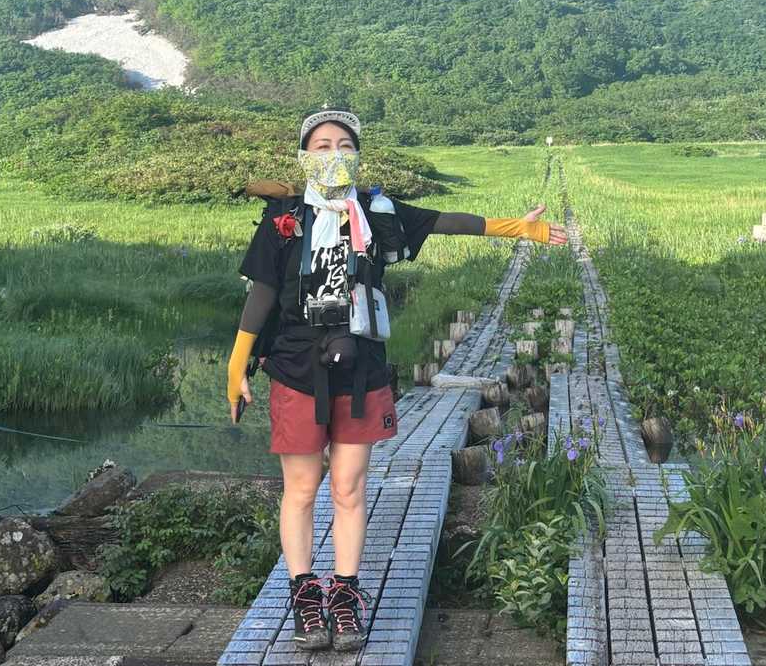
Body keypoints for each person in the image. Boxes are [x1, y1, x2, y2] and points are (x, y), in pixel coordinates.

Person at [226, 108, 565, 651]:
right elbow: (262, 295)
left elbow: (443, 221)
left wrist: (519, 228)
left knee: (349, 487)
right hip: (295, 367)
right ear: (304, 156)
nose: (334, 154)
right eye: (321, 145)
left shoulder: (375, 212)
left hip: (360, 368)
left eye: (344, 145)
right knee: (302, 488)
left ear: (357, 154)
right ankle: (304, 594)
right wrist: (236, 364)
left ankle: (345, 593)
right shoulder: (284, 220)